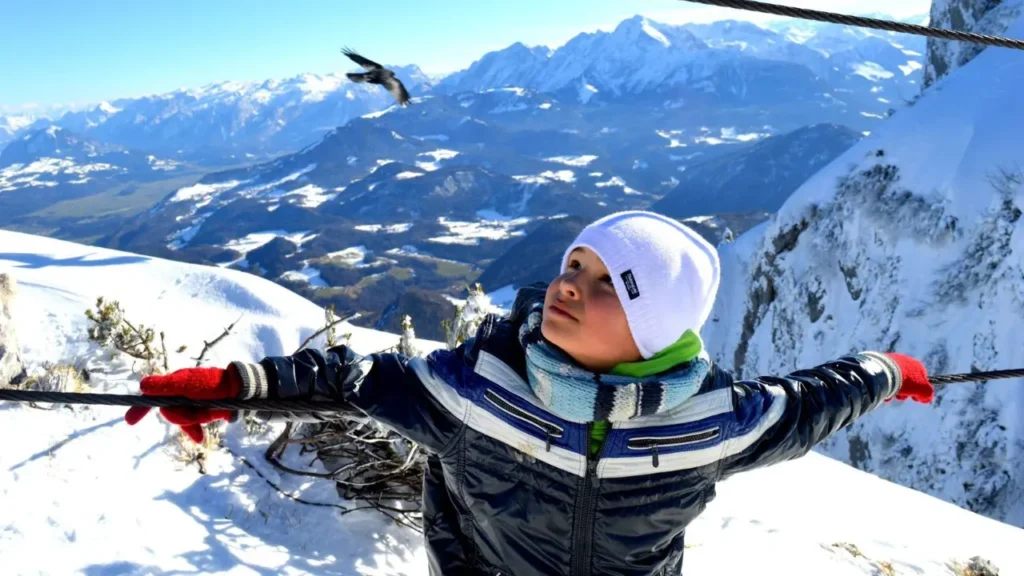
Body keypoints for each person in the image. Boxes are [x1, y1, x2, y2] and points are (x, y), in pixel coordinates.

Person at [124, 210, 934, 576]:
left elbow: (812, 402)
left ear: (656, 333)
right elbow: (351, 379)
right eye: (573, 266)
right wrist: (239, 386)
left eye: (610, 283)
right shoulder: (476, 391)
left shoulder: (709, 424)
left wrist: (887, 373)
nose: (570, 286)